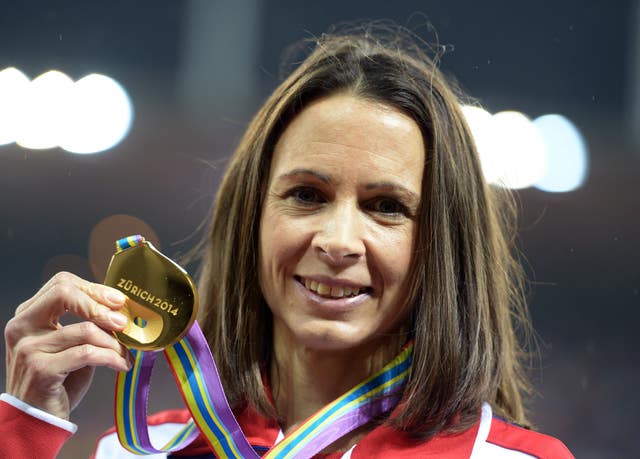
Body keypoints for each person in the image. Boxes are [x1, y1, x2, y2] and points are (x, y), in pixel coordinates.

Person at [1, 26, 574, 458]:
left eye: (386, 207)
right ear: (253, 217)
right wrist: (25, 430)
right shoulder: (136, 448)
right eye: (306, 195)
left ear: (441, 250)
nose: (339, 240)